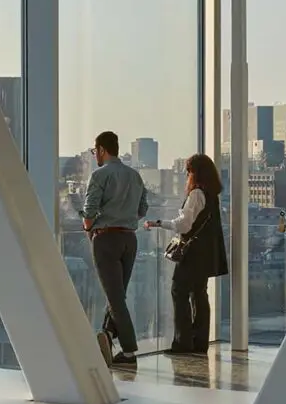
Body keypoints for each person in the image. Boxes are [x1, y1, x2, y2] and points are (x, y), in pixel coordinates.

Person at [146, 153, 228, 356]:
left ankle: (183, 342)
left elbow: (184, 224)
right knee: (199, 294)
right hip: (207, 254)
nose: (187, 176)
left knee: (179, 291)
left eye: (188, 171)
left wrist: (159, 223)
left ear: (195, 173)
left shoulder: (197, 194)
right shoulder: (212, 195)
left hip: (193, 254)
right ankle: (200, 341)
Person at [82, 131, 148, 369]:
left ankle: (129, 352)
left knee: (115, 297)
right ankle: (107, 337)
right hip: (129, 239)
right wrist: (126, 215)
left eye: (94, 151)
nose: (94, 156)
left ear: (101, 149)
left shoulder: (99, 175)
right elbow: (143, 209)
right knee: (118, 293)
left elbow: (89, 210)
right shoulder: (135, 176)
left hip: (106, 239)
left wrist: (88, 226)